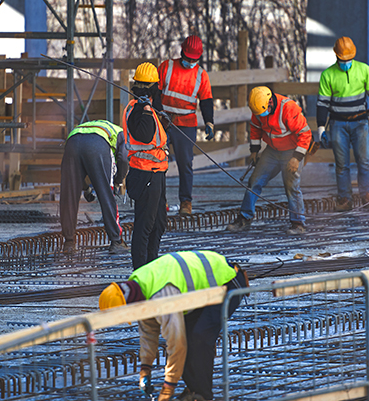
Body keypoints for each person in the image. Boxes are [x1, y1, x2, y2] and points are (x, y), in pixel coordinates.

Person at [98, 250, 249, 401]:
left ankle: (204, 397)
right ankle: (194, 391)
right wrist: (145, 370)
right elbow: (148, 333)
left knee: (199, 338)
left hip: (227, 280)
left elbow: (177, 345)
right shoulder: (138, 286)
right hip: (203, 292)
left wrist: (167, 389)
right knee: (191, 336)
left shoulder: (162, 295)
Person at [317, 36, 369, 211]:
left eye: (349, 59)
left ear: (353, 56)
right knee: (341, 164)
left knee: (364, 160)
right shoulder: (328, 75)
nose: (346, 63)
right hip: (337, 125)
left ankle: (367, 194)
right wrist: (320, 127)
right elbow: (323, 104)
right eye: (343, 60)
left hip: (360, 123)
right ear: (336, 57)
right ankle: (344, 198)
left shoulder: (364, 70)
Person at [227, 86, 312, 235]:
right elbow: (255, 129)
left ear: (270, 103)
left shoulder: (288, 108)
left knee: (292, 186)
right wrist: (254, 151)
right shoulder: (258, 109)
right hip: (272, 151)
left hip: (292, 151)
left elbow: (305, 134)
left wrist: (297, 158)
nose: (260, 116)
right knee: (254, 182)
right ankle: (244, 219)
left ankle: (298, 223)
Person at [157, 35, 215, 216]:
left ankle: (186, 202)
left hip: (186, 123)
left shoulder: (201, 75)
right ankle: (159, 201)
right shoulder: (167, 67)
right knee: (157, 162)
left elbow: (206, 101)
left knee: (185, 164)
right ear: (182, 52)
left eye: (193, 59)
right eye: (187, 58)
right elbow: (155, 93)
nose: (190, 62)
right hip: (163, 121)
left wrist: (209, 122)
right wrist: (160, 114)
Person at [123, 63, 170, 269]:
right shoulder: (138, 109)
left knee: (158, 224)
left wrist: (160, 116)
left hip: (157, 173)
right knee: (144, 226)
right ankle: (141, 272)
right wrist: (147, 110)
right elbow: (143, 134)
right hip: (145, 174)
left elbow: (155, 135)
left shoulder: (149, 109)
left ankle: (151, 264)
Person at [60, 119, 130, 255]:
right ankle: (116, 241)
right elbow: (123, 159)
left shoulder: (89, 127)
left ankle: (68, 243)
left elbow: (76, 176)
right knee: (106, 194)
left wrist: (86, 189)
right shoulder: (121, 133)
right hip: (97, 145)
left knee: (69, 194)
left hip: (72, 143)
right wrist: (118, 182)